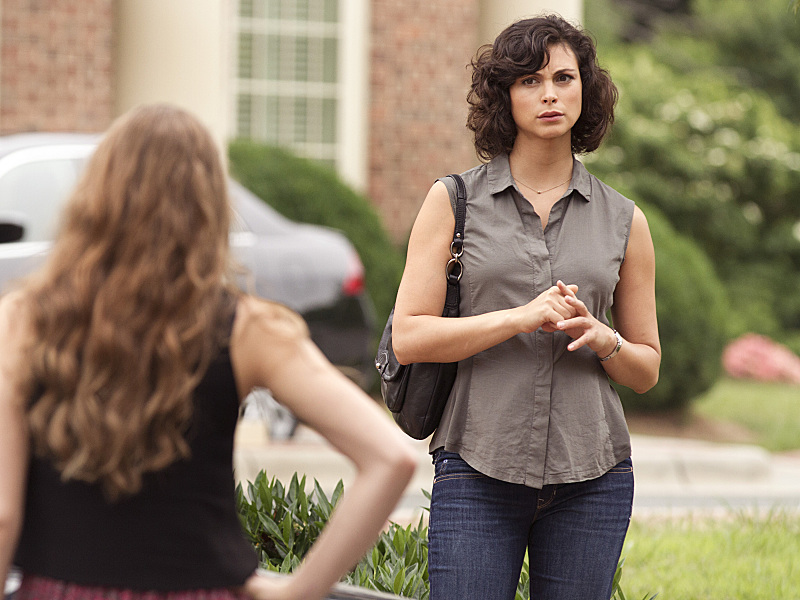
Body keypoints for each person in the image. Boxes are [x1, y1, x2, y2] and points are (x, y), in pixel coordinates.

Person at [0, 104, 417, 600]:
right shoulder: (247, 329)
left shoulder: (25, 316)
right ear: (209, 204)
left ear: (97, 196)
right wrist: (297, 592)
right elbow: (391, 458)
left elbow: (3, 513)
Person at [392, 15, 660, 600]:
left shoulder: (625, 220)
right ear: (503, 96)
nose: (549, 94)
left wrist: (603, 337)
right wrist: (521, 316)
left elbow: (646, 369)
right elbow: (409, 336)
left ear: (585, 90)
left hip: (594, 475)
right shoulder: (452, 201)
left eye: (564, 78)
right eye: (529, 81)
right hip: (476, 466)